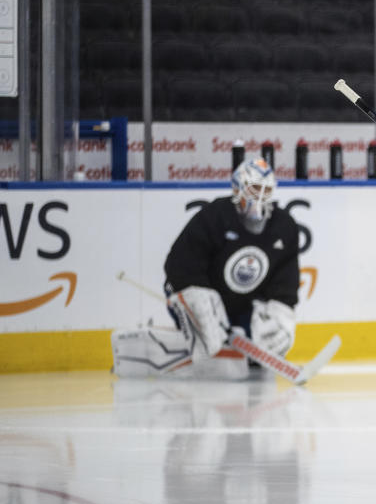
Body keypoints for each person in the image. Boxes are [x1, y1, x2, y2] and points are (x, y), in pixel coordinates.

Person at [112, 157, 301, 379]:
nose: (258, 198)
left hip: (240, 305)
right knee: (213, 357)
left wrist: (281, 311)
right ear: (237, 189)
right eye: (253, 189)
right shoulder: (215, 217)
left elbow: (285, 279)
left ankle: (225, 343)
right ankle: (146, 349)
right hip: (197, 296)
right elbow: (179, 264)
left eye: (265, 190)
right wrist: (196, 297)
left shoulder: (284, 226)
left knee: (247, 360)